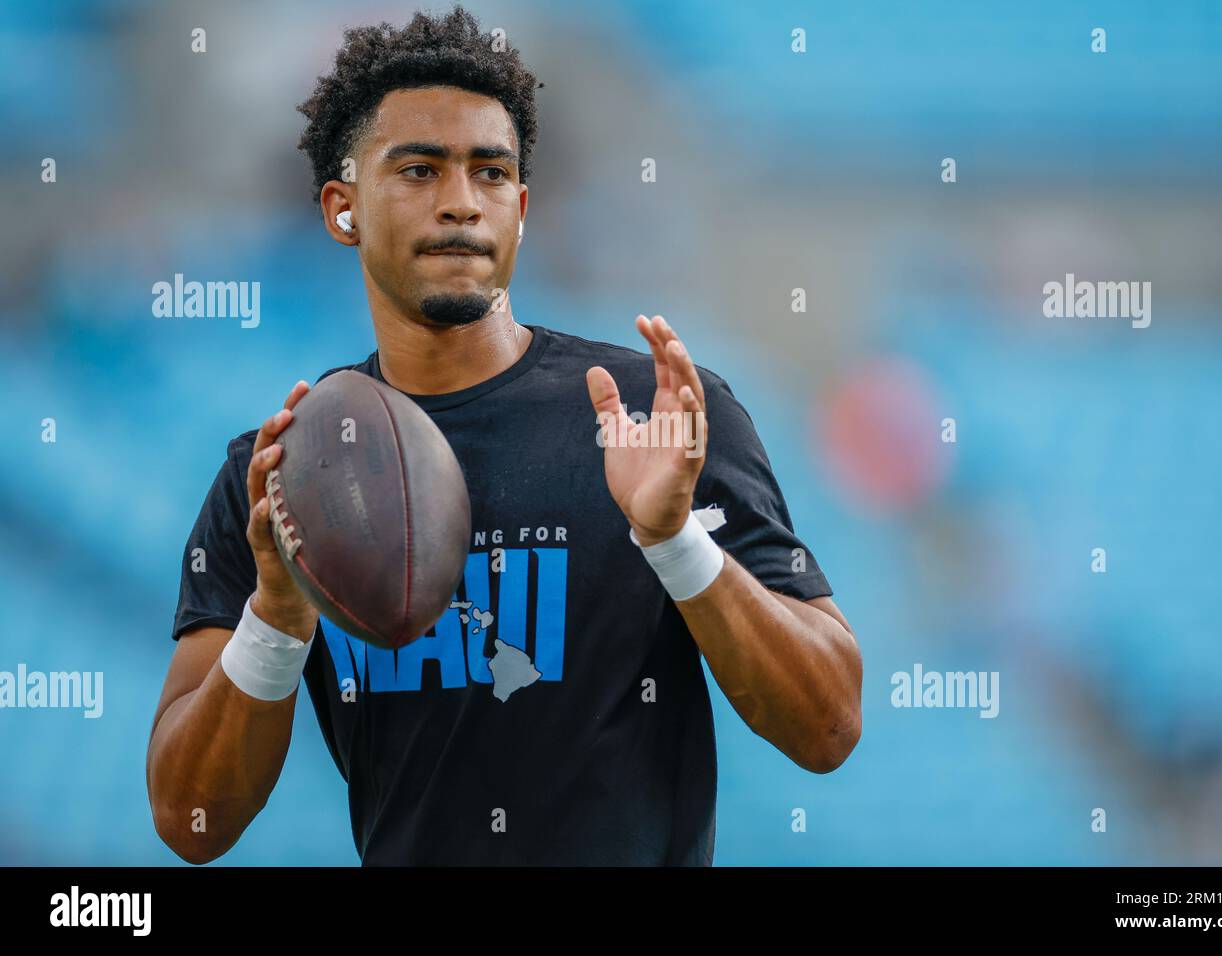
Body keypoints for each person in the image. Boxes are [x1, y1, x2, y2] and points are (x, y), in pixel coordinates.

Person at [146, 5, 860, 866]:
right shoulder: (279, 476)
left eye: (490, 174)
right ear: (343, 208)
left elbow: (828, 726)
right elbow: (190, 819)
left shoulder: (656, 413)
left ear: (521, 208)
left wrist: (673, 541)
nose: (460, 204)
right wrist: (278, 614)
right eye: (418, 170)